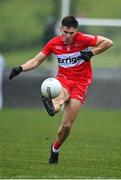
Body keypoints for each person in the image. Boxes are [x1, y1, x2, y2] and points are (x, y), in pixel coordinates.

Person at [9, 16, 113, 164]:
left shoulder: (83, 39)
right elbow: (36, 60)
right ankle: (54, 106)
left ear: (75, 31)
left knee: (66, 126)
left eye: (71, 33)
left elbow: (108, 42)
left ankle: (55, 148)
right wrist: (20, 68)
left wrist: (91, 53)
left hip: (81, 83)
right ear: (60, 29)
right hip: (63, 80)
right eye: (65, 32)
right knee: (61, 96)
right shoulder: (54, 43)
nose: (68, 36)